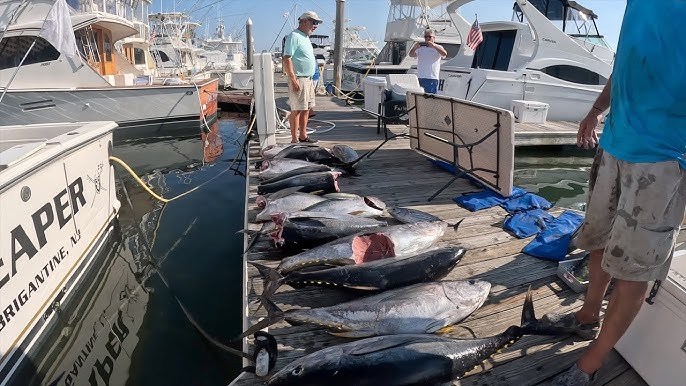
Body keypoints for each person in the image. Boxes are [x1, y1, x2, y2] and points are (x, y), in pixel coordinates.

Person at [547, 2, 686, 385]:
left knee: (634, 270)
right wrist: (595, 109)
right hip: (614, 143)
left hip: (664, 158)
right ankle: (589, 312)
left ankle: (590, 363)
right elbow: (626, 61)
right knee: (598, 241)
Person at [282, 11, 322, 143]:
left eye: (317, 23)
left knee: (306, 109)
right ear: (305, 21)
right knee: (297, 109)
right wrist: (293, 80)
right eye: (314, 22)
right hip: (299, 79)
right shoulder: (294, 36)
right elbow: (287, 58)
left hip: (309, 80)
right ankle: (294, 139)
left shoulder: (305, 37)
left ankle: (303, 136)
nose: (315, 26)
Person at [408, 28, 447, 94]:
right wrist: (414, 48)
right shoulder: (420, 48)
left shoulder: (438, 47)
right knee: (420, 96)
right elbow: (411, 55)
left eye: (429, 37)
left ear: (434, 38)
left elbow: (444, 54)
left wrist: (434, 46)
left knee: (431, 98)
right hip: (421, 76)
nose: (427, 39)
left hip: (432, 77)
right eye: (426, 37)